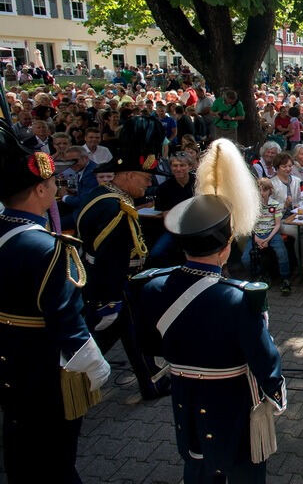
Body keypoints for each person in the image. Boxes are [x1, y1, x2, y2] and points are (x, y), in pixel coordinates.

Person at [133, 139, 286, 484]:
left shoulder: (153, 287)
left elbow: (150, 347)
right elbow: (266, 363)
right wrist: (275, 393)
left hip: (185, 401)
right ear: (226, 245)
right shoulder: (239, 299)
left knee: (197, 467)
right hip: (234, 407)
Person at [0, 121, 111, 483]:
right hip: (43, 365)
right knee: (55, 457)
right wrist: (97, 370)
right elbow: (66, 319)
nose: (55, 188)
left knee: (19, 446)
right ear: (39, 189)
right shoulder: (47, 248)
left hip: (9, 360)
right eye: (50, 183)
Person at [76, 115, 170, 400]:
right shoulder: (117, 209)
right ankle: (72, 380)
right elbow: (110, 259)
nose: (148, 184)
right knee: (99, 340)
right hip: (112, 287)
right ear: (128, 175)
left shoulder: (102, 195)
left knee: (132, 335)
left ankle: (149, 382)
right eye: (145, 178)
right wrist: (110, 299)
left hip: (113, 286)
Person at [242, 177, 292, 294]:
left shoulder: (275, 205)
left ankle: (285, 278)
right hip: (256, 234)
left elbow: (277, 224)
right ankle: (261, 274)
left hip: (271, 233)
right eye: (259, 190)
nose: (261, 193)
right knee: (245, 259)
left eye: (264, 190)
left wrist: (268, 239)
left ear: (270, 191)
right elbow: (249, 226)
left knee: (281, 252)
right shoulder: (252, 206)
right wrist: (257, 238)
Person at [147, 152, 197, 267]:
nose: (178, 169)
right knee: (156, 254)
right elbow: (167, 217)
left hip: (198, 227)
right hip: (175, 229)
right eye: (175, 165)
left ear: (190, 166)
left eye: (182, 165)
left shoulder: (199, 183)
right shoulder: (164, 188)